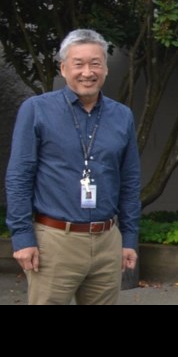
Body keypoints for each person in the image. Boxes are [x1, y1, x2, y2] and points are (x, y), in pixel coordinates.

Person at [5, 29, 141, 305]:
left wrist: (128, 239)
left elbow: (129, 181)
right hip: (54, 241)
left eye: (95, 63)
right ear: (63, 68)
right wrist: (22, 237)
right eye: (78, 64)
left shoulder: (121, 115)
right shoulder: (37, 109)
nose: (87, 72)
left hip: (107, 241)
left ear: (105, 68)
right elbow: (19, 177)